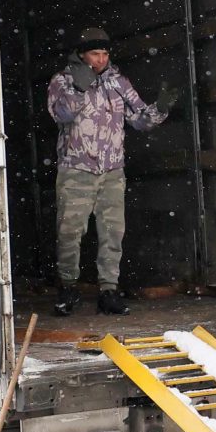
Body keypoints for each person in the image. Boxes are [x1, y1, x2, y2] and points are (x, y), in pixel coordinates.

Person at [46, 27, 179, 316]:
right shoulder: (63, 81)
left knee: (112, 233)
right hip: (76, 170)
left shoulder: (118, 82)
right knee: (69, 232)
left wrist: (161, 108)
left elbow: (140, 120)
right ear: (82, 54)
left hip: (111, 172)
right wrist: (79, 89)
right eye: (95, 54)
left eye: (105, 53)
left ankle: (109, 291)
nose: (101, 59)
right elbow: (60, 114)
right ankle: (68, 289)